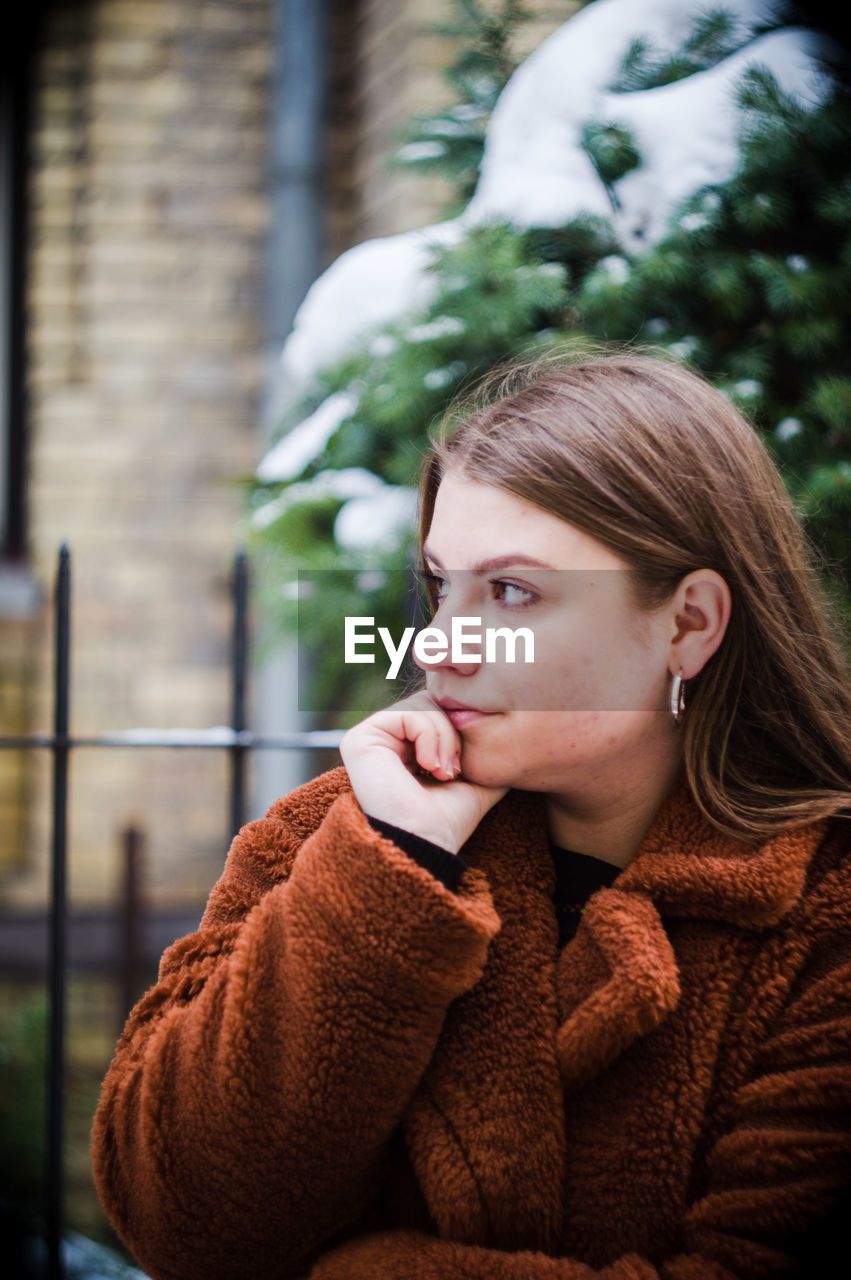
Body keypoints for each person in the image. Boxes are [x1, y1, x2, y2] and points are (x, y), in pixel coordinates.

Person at [91, 349, 851, 1280]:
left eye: (513, 592)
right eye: (441, 585)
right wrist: (395, 860)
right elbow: (179, 1221)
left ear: (687, 623)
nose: (441, 644)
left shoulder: (824, 914)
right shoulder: (333, 836)